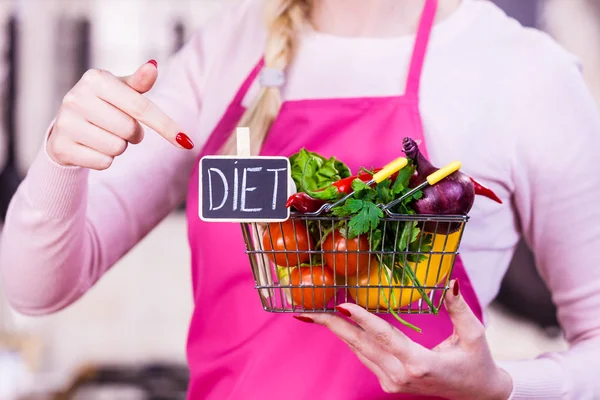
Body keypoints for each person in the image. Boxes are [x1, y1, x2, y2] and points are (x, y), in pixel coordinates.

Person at [1, 0, 600, 398]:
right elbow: (33, 289)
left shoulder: (523, 73)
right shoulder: (228, 50)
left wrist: (500, 386)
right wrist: (63, 157)